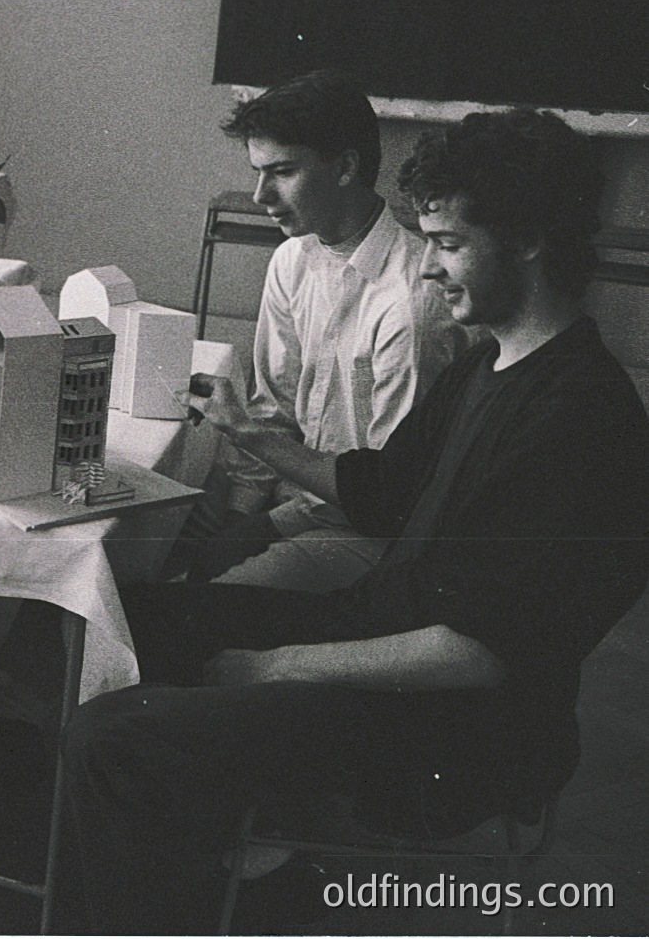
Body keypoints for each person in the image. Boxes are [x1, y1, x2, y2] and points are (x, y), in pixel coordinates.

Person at [62, 108, 649, 934]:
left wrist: (276, 667)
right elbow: (381, 491)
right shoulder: (493, 356)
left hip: (459, 727)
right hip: (392, 635)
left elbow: (479, 654)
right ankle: (186, 865)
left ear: (528, 241)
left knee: (113, 741)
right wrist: (252, 436)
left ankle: (174, 886)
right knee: (112, 616)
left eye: (448, 244)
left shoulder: (580, 420)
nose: (432, 270)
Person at [186, 69, 466, 591]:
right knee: (172, 556)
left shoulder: (411, 305)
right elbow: (276, 408)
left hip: (373, 532)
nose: (261, 194)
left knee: (200, 607)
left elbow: (388, 500)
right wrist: (237, 520)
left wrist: (253, 515)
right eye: (257, 171)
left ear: (345, 167)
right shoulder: (292, 259)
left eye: (283, 171)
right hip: (306, 505)